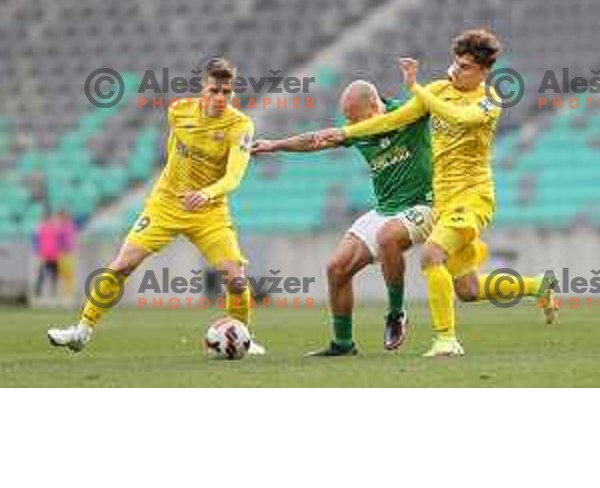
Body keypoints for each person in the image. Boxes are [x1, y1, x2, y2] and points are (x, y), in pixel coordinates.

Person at [317, 29, 557, 357]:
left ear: (485, 72)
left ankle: (446, 340)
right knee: (468, 289)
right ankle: (538, 284)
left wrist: (416, 89)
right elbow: (392, 121)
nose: (456, 71)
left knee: (431, 255)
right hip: (443, 202)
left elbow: (459, 117)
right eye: (456, 63)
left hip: (473, 198)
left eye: (466, 67)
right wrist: (346, 132)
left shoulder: (489, 100)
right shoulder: (439, 89)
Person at [48, 57, 265, 354]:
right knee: (123, 264)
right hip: (166, 204)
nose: (220, 98)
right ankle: (82, 331)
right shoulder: (178, 111)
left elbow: (234, 176)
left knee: (235, 278)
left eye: (227, 92)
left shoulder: (241, 125)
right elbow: (176, 152)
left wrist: (207, 193)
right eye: (214, 90)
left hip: (209, 210)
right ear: (203, 87)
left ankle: (242, 336)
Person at [252, 80, 434, 355]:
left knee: (388, 238)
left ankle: (396, 314)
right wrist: (275, 145)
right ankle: (343, 344)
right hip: (385, 208)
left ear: (374, 106)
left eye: (353, 117)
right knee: (337, 268)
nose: (349, 123)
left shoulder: (410, 111)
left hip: (424, 204)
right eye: (346, 118)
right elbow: (318, 139)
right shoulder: (357, 129)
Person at [34, 212, 61, 300]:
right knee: (42, 274)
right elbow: (36, 241)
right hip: (45, 255)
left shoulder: (55, 229)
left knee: (54, 274)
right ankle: (39, 291)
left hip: (53, 255)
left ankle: (53, 291)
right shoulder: (41, 228)